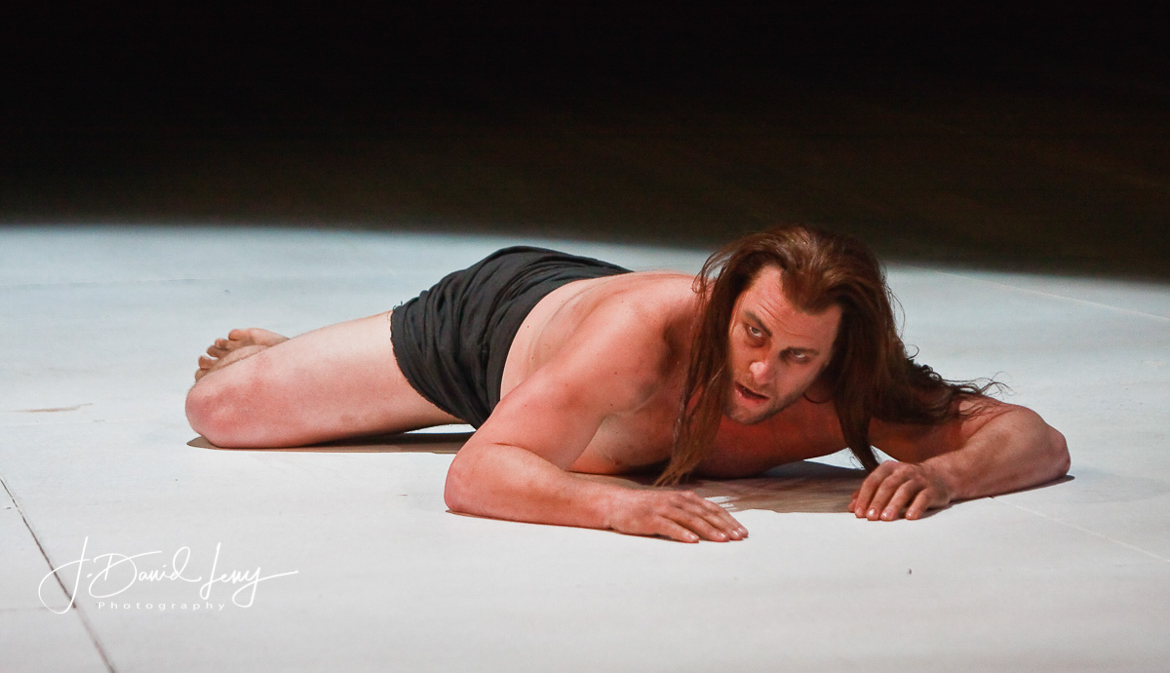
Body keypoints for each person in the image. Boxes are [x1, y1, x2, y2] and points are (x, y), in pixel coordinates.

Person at [185, 225, 1070, 543]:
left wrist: (948, 475)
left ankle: (315, 359)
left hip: (576, 363)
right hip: (496, 329)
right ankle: (289, 352)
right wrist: (617, 507)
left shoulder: (851, 390)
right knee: (220, 411)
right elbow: (476, 472)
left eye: (800, 358)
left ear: (840, 359)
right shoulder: (642, 340)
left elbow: (1036, 438)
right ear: (725, 305)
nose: (763, 372)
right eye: (753, 333)